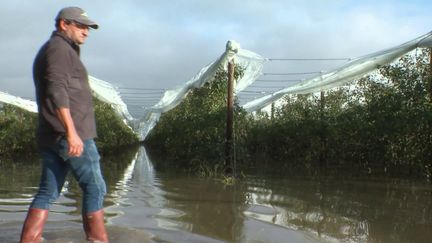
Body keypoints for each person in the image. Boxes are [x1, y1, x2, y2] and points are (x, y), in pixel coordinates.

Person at [20, 7, 108, 243]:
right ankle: (98, 240)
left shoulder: (61, 49)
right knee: (96, 188)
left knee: (49, 191)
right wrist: (72, 132)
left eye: (88, 27)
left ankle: (30, 239)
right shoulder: (59, 50)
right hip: (70, 134)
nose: (86, 32)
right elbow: (56, 89)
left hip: (52, 134)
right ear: (63, 24)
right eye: (80, 26)